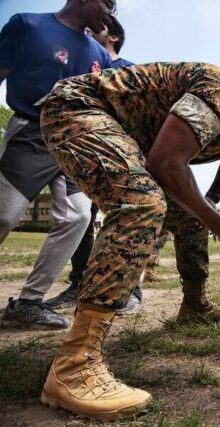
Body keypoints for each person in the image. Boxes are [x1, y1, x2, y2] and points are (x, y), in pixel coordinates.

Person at [36, 63, 220, 419]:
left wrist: (210, 203)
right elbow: (166, 164)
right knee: (142, 203)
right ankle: (74, 365)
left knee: (190, 211)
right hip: (78, 109)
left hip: (123, 133)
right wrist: (215, 219)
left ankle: (194, 305)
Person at [0, 0, 114, 330]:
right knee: (4, 215)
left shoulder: (99, 54)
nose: (110, 13)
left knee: (78, 217)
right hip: (31, 133)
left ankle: (28, 302)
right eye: (107, 4)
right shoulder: (27, 25)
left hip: (74, 143)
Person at [44, 15, 142, 313]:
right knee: (81, 217)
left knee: (126, 218)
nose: (87, 30)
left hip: (120, 157)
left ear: (112, 37)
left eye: (96, 27)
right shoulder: (82, 66)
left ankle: (129, 290)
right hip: (84, 153)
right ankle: (79, 284)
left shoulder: (127, 69)